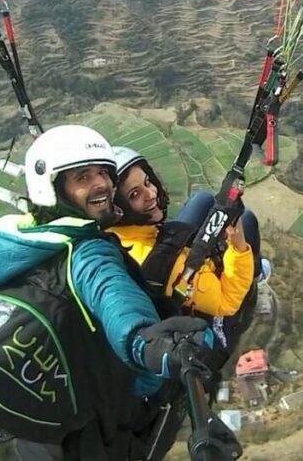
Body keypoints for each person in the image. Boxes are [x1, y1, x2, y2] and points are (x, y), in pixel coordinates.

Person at [0, 125, 217, 460]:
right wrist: (146, 342)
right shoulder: (88, 253)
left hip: (43, 425)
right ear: (53, 189)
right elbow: (112, 296)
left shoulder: (16, 240)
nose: (103, 184)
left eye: (104, 173)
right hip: (112, 418)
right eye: (83, 177)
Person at [108, 146, 265, 359]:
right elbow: (226, 302)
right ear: (118, 209)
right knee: (247, 221)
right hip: (204, 326)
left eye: (147, 182)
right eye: (134, 194)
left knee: (203, 200)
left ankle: (250, 269)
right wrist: (238, 246)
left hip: (162, 257)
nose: (151, 193)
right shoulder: (160, 263)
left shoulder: (116, 233)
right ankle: (254, 279)